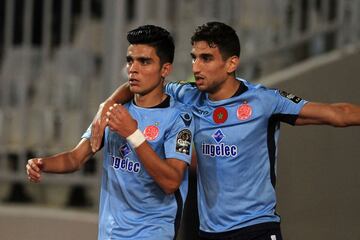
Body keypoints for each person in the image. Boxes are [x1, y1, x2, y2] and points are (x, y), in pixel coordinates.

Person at [89, 22, 360, 240]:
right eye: (194, 57)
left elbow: (338, 114)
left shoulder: (263, 101)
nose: (196, 67)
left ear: (231, 63)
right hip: (209, 232)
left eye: (206, 58)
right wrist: (105, 106)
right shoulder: (189, 95)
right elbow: (137, 86)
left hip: (256, 228)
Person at [26, 25, 195, 240]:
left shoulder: (179, 118)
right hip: (110, 233)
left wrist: (133, 134)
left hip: (152, 233)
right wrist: (43, 163)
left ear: (165, 69)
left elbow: (171, 182)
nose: (133, 69)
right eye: (130, 60)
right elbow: (75, 158)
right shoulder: (115, 110)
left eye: (144, 62)